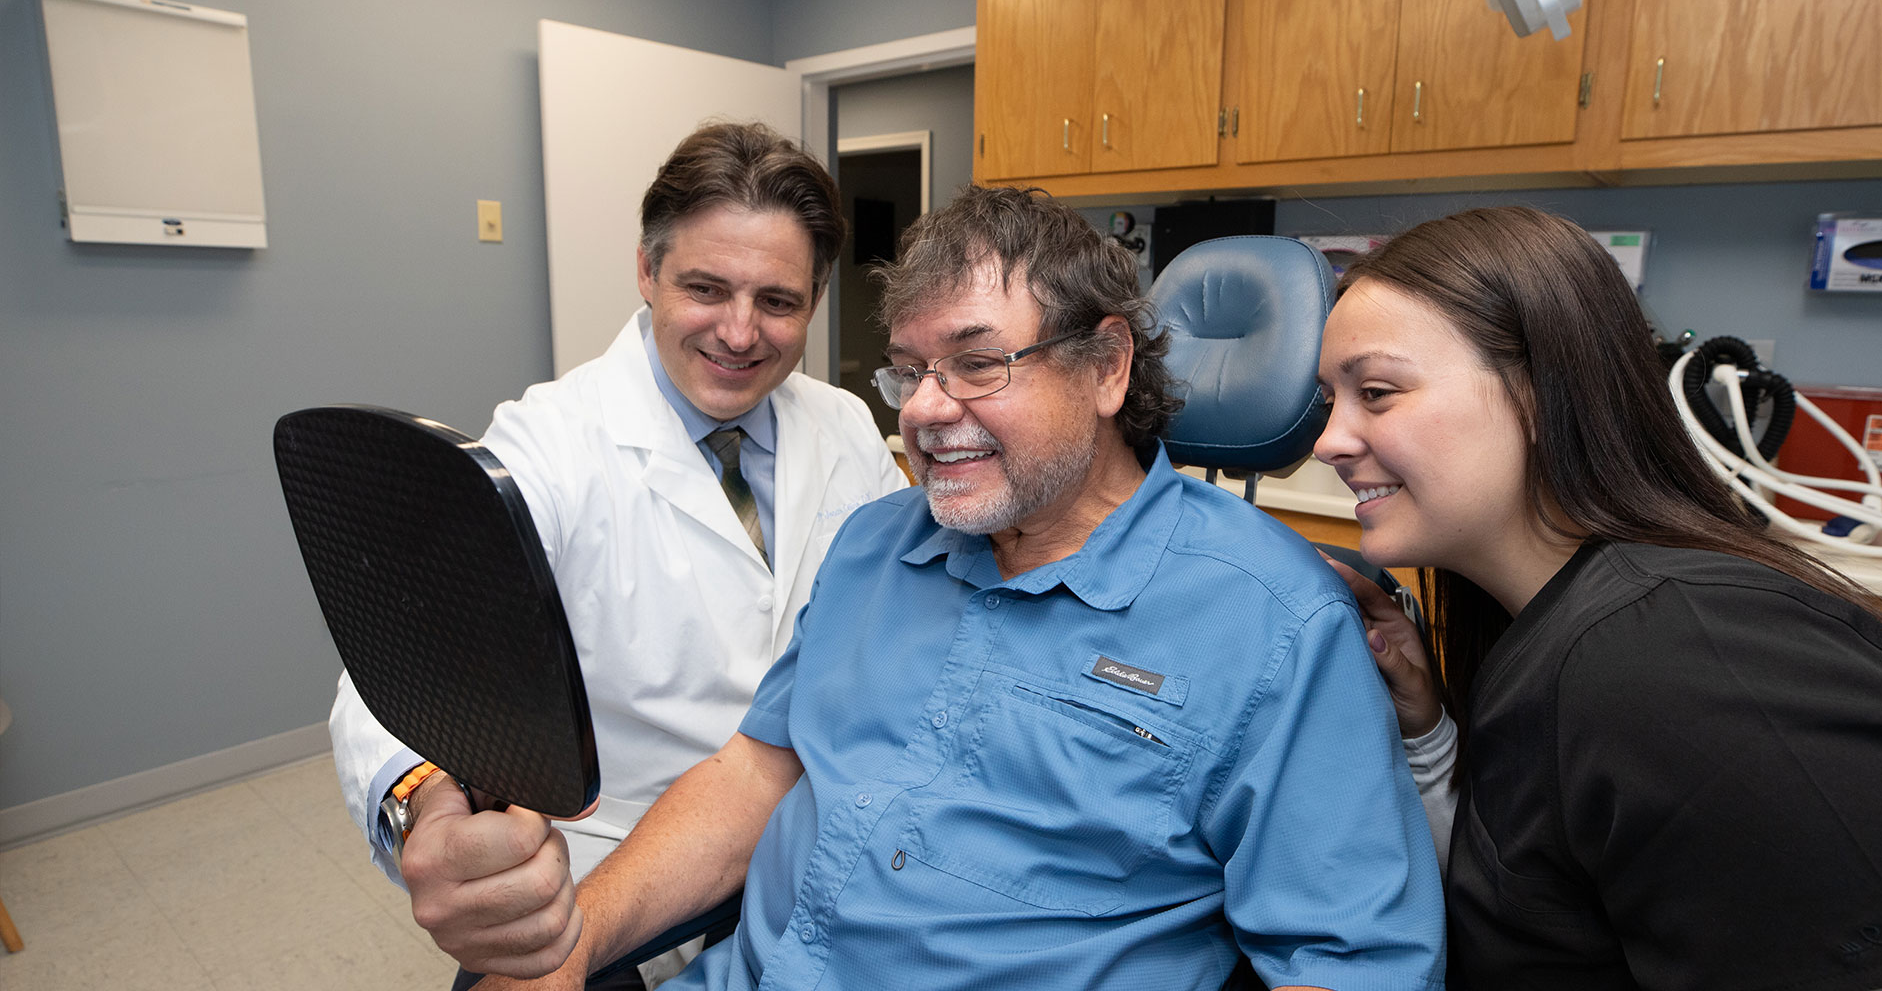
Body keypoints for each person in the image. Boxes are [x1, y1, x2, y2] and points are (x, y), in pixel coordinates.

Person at [425, 185, 1447, 991]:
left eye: (972, 364)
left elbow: (1350, 961)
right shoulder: (875, 544)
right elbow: (756, 776)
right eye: (908, 369)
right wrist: (567, 950)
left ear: (1103, 366)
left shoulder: (1268, 618)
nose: (922, 410)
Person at [1312, 205, 1882, 991]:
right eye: (1330, 400)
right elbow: (1536, 910)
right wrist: (1434, 742)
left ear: (1538, 393)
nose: (1330, 440)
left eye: (1375, 391)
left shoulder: (1684, 659)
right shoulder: (1551, 634)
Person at [328, 121, 908, 989]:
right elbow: (397, 670)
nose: (741, 334)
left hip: (815, 839)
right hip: (617, 867)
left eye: (778, 302)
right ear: (646, 271)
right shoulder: (549, 443)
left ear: (817, 299)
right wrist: (426, 806)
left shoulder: (847, 426)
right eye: (706, 288)